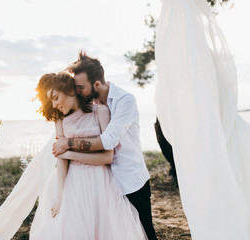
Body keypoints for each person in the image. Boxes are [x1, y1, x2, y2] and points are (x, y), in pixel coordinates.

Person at [52, 51, 158, 240]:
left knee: (143, 233)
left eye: (80, 87)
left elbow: (108, 141)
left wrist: (68, 145)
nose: (77, 91)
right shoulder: (91, 103)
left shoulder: (125, 101)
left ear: (97, 84)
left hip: (130, 180)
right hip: (107, 181)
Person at [30, 72, 147, 240]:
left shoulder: (100, 111)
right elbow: (61, 160)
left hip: (100, 181)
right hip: (72, 181)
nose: (54, 105)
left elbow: (107, 158)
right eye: (51, 101)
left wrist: (69, 153)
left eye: (56, 97)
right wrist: (61, 194)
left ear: (69, 90)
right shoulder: (60, 119)